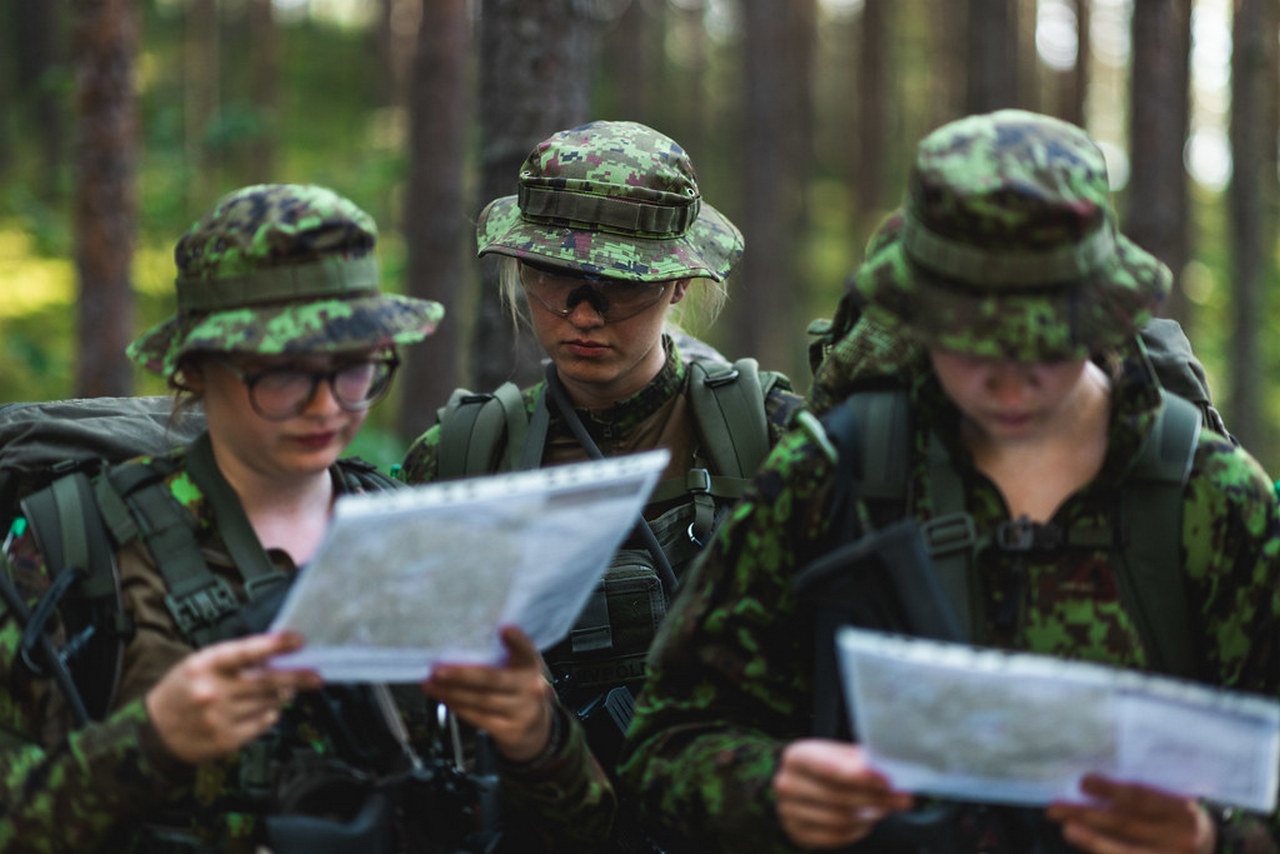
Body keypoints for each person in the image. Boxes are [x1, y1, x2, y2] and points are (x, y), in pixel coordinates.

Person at [618, 109, 1280, 853]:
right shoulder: (831, 474)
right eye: (968, 339)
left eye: (1038, 342)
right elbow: (666, 742)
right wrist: (772, 788)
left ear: (1101, 315)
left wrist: (1210, 836)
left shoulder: (1211, 499)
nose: (1004, 377)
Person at [0, 183, 613, 852]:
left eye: (353, 370)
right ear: (196, 369)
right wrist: (150, 742)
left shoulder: (422, 541)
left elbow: (587, 829)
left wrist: (539, 742)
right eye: (283, 374)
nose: (326, 406)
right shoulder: (76, 545)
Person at [400, 120, 805, 843]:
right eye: (557, 280)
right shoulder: (462, 460)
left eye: (620, 284)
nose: (584, 315)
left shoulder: (772, 439)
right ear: (522, 271)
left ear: (679, 282)